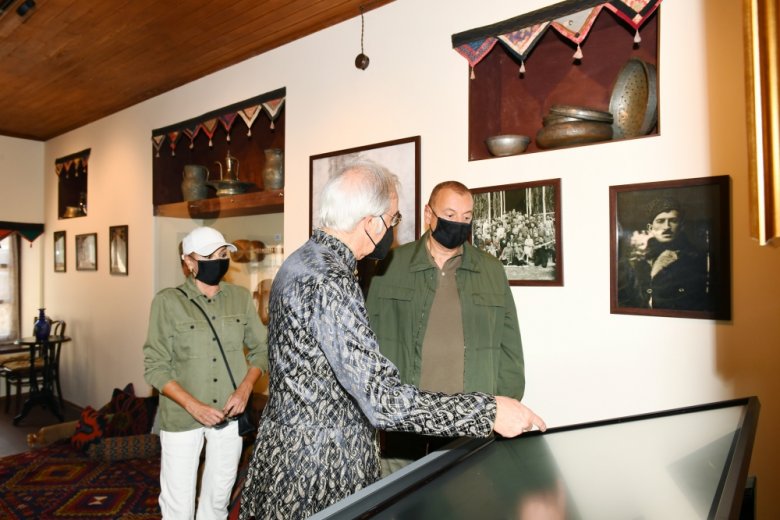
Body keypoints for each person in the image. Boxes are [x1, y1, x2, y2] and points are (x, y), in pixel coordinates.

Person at [238, 161, 545, 519]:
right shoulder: (329, 281)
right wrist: (487, 411)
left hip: (286, 451)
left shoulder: (303, 260)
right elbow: (382, 400)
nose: (394, 230)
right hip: (319, 470)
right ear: (371, 223)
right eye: (393, 219)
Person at [365, 180, 527, 475]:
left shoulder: (491, 270)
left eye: (466, 217)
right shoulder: (391, 265)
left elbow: (509, 347)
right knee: (398, 496)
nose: (458, 224)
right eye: (450, 215)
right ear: (429, 214)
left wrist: (502, 406)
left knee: (467, 496)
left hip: (469, 423)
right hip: (404, 422)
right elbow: (368, 339)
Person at [143, 226, 268, 519]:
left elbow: (262, 350)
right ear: (189, 262)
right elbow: (155, 366)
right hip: (181, 416)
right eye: (209, 256)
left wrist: (245, 389)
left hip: (229, 416)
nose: (218, 261)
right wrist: (194, 406)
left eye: (222, 254)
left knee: (217, 501)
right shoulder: (167, 302)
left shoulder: (239, 298)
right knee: (178, 506)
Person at [617, 197, 712, 310]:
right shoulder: (635, 260)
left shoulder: (696, 258)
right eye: (660, 221)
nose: (666, 227)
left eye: (673, 221)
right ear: (650, 227)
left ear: (681, 226)